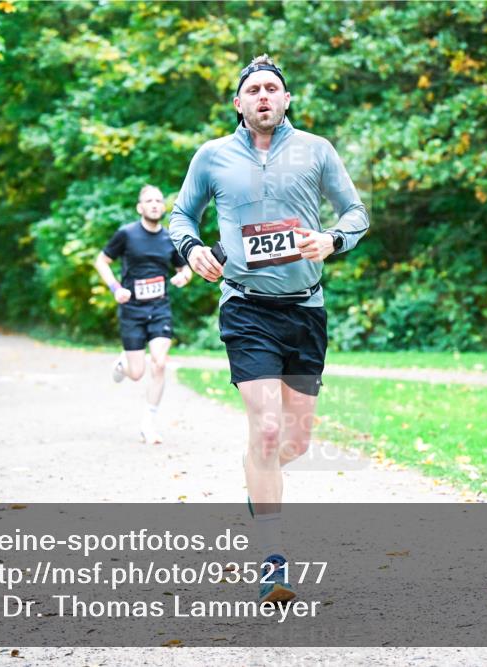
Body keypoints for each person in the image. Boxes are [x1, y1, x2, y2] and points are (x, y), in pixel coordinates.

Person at [169, 54, 369, 604]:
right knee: (268, 429)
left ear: (286, 100)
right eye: (253, 89)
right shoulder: (212, 156)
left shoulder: (316, 151)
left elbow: (357, 213)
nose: (262, 96)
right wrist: (192, 249)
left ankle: (259, 474)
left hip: (305, 309)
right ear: (239, 103)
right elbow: (180, 216)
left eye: (272, 88)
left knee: (295, 442)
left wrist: (332, 239)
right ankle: (273, 559)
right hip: (246, 307)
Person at [94, 185, 192, 444]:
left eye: (159, 200)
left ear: (163, 207)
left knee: (159, 363)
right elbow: (101, 261)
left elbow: (185, 268)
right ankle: (122, 363)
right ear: (140, 207)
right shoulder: (126, 234)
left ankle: (148, 422)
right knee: (136, 373)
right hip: (132, 309)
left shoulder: (169, 238)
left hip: (159, 309)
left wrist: (183, 276)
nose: (154, 204)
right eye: (149, 200)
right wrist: (116, 288)